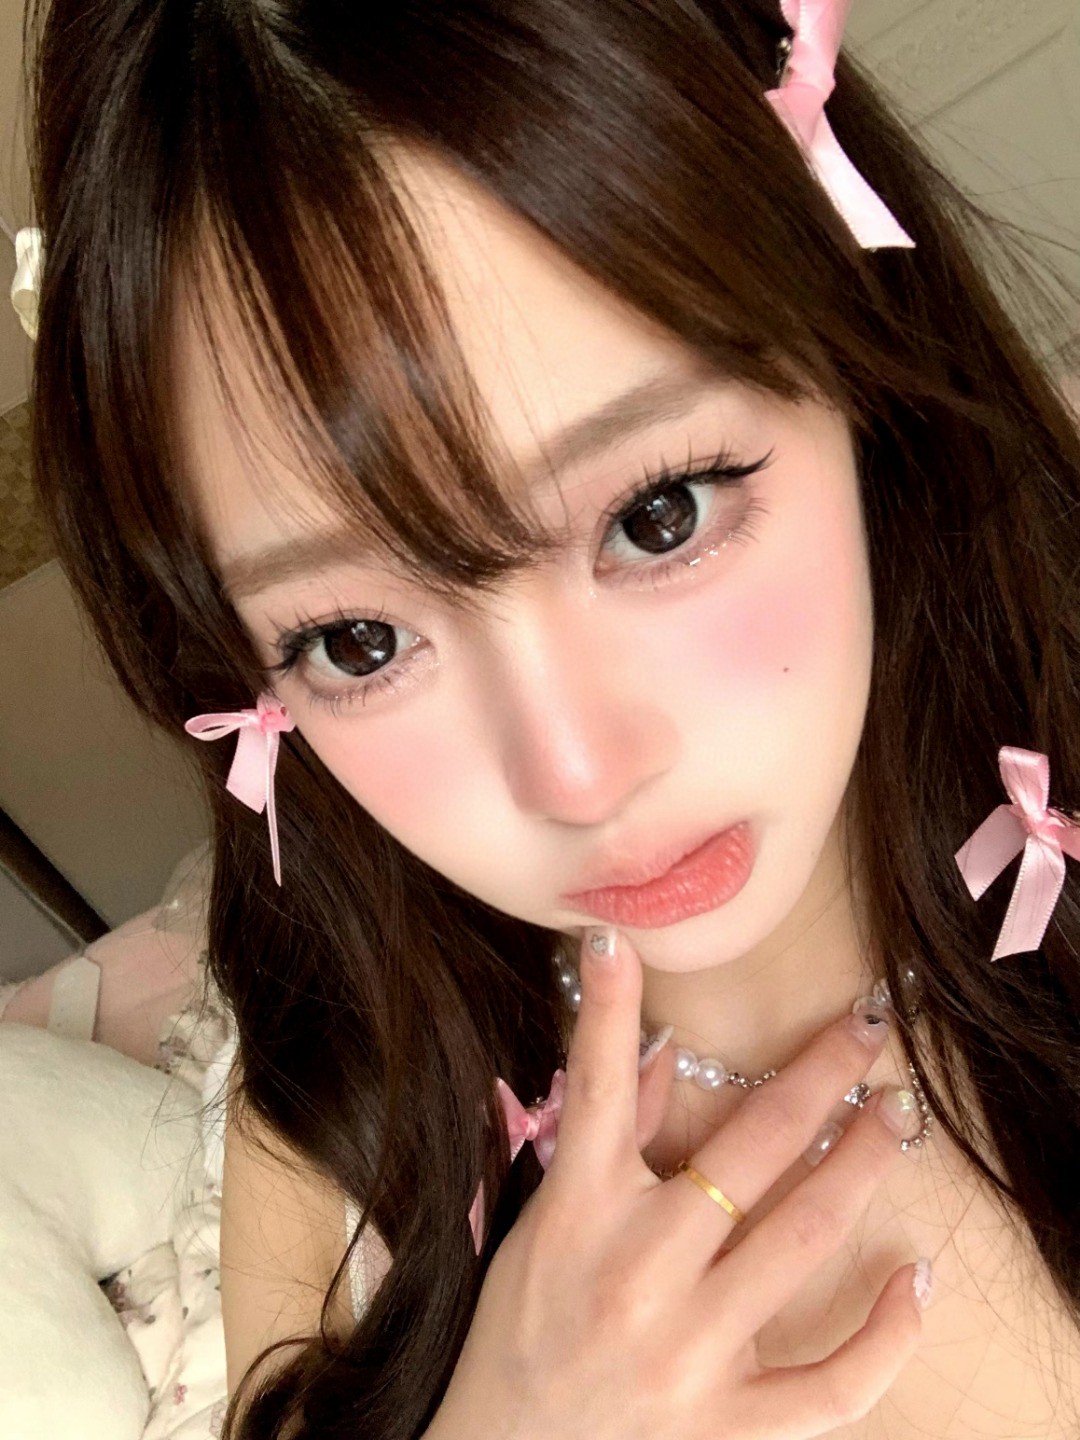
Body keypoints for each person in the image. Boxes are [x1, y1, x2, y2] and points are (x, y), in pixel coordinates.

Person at [14, 0, 1080, 1434]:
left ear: (858, 351)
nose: (576, 776)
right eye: (358, 640)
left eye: (660, 513)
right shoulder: (342, 1151)